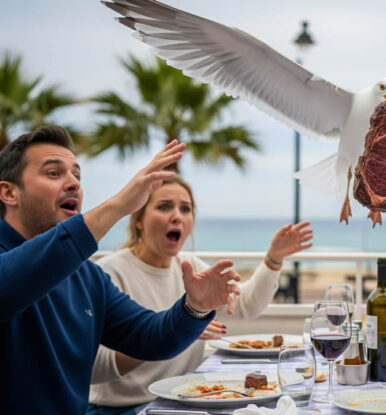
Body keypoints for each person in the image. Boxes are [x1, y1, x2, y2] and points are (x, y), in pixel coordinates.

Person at [0, 126, 241, 414]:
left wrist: (195, 307)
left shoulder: (86, 276)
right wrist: (119, 205)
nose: (73, 183)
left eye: (77, 175)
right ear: (8, 192)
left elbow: (149, 337)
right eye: (54, 173)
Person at [88, 173, 313, 413]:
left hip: (183, 402)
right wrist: (179, 331)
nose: (177, 216)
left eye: (185, 209)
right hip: (119, 408)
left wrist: (273, 260)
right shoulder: (109, 271)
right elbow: (93, 365)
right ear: (139, 220)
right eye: (164, 206)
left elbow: (245, 304)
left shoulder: (190, 267)